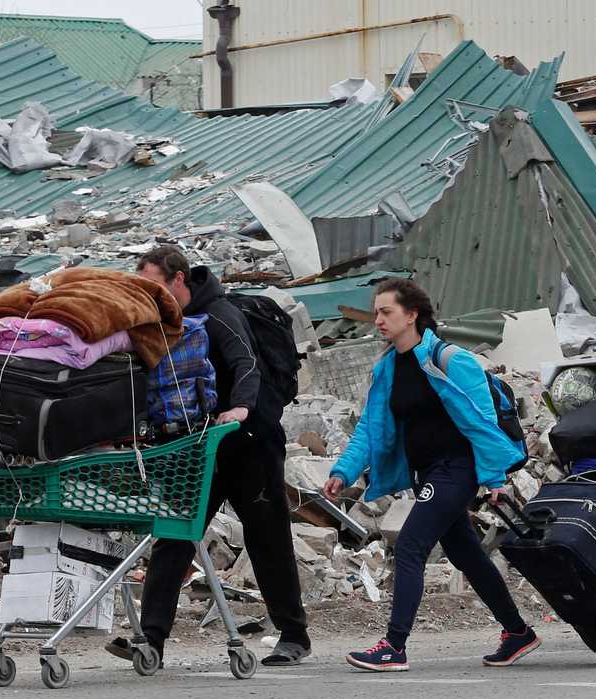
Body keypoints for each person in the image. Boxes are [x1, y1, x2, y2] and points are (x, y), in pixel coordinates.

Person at [111, 245, 311, 667]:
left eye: (154, 287)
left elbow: (247, 365)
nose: (149, 297)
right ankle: (152, 641)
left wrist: (239, 408)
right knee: (175, 534)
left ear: (178, 280)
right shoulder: (163, 323)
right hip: (196, 446)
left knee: (266, 534)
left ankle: (293, 634)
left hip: (247, 440)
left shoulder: (221, 314)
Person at [326, 279, 539, 672]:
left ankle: (394, 646)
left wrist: (493, 479)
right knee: (466, 554)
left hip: (456, 471)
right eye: (376, 313)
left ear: (411, 315)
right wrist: (343, 471)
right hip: (428, 474)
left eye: (386, 312)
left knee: (409, 546)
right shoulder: (387, 368)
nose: (378, 321)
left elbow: (482, 423)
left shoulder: (449, 359)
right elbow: (371, 430)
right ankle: (518, 632)